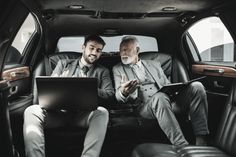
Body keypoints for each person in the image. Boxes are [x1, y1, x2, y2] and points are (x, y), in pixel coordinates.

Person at [23, 35, 114, 157]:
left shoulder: (103, 71)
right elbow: (51, 87)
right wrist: (60, 83)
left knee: (102, 112)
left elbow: (109, 94)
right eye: (91, 48)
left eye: (98, 50)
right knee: (31, 111)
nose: (94, 53)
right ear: (83, 48)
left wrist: (88, 87)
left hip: (83, 116)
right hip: (57, 114)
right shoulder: (63, 64)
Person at [113, 36, 209, 146]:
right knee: (159, 97)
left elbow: (167, 85)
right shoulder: (118, 68)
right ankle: (181, 145)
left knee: (197, 86)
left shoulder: (154, 64)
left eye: (127, 49)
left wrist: (177, 89)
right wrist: (125, 92)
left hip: (167, 102)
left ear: (137, 50)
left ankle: (201, 140)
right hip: (143, 108)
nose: (123, 53)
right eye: (121, 50)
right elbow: (118, 95)